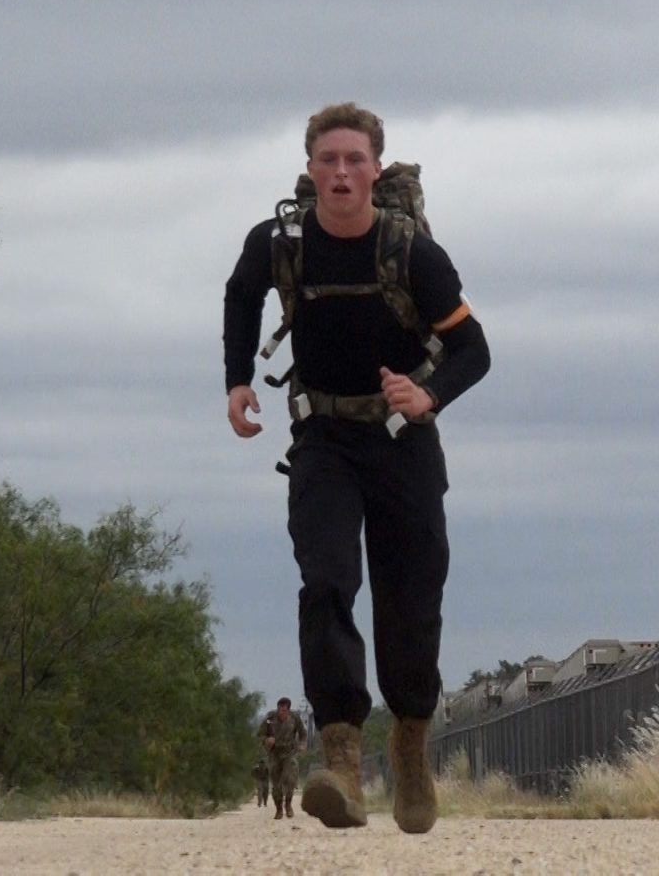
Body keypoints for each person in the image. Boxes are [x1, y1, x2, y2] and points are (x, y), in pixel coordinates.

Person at [224, 103, 490, 833]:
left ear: (376, 168)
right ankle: (341, 758)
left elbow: (475, 349)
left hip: (403, 440)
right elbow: (242, 295)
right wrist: (237, 379)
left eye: (355, 160)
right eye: (328, 160)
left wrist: (428, 392)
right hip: (323, 440)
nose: (341, 173)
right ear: (311, 169)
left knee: (411, 596)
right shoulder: (278, 242)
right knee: (328, 581)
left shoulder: (412, 255)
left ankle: (409, 746)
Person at [258, 697, 308, 818]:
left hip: (289, 752)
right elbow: (260, 735)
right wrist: (266, 740)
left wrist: (302, 744)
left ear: (288, 710)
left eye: (284, 710)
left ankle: (288, 805)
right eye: (280, 709)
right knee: (276, 784)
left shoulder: (294, 717)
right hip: (274, 754)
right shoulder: (270, 718)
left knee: (290, 779)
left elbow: (302, 733)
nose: (281, 712)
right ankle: (279, 808)